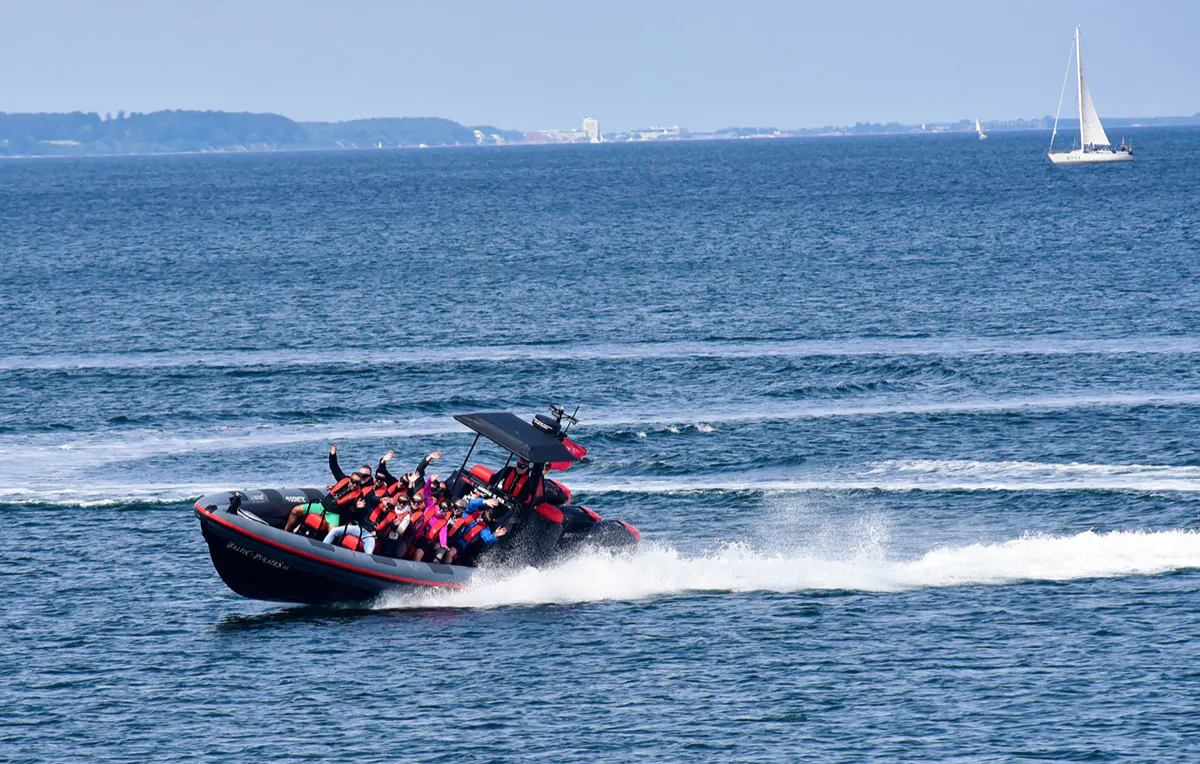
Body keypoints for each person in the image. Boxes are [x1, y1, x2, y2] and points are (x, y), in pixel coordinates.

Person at [283, 444, 375, 533]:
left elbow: (356, 509)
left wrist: (359, 507)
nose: (354, 484)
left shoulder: (358, 495)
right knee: (296, 510)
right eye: (353, 481)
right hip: (321, 506)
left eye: (357, 483)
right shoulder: (343, 479)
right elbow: (334, 467)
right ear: (350, 479)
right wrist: (332, 454)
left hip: (333, 515)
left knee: (333, 531)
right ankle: (285, 531)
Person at [444, 497, 507, 565]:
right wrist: (484, 501)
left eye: (485, 520)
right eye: (483, 517)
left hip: (460, 543)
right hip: (450, 533)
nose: (482, 520)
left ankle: (445, 569)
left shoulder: (485, 528)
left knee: (450, 552)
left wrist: (495, 535)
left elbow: (487, 538)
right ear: (483, 511)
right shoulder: (472, 511)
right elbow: (471, 503)